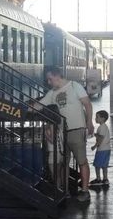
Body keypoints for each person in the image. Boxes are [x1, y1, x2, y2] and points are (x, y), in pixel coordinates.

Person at [34, 67, 95, 202]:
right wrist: (20, 109)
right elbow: (39, 105)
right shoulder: (52, 93)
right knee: (63, 163)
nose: (49, 82)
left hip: (77, 129)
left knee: (82, 161)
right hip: (61, 133)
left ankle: (85, 191)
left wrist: (89, 122)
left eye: (50, 79)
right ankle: (64, 191)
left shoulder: (74, 86)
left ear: (57, 76)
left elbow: (87, 104)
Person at [89, 110, 112, 188]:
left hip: (101, 149)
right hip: (106, 149)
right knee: (104, 165)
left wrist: (95, 146)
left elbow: (101, 138)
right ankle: (105, 179)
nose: (95, 119)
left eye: (97, 117)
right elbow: (100, 136)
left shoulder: (101, 127)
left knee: (97, 165)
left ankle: (98, 179)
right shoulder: (104, 127)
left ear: (103, 118)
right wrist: (95, 134)